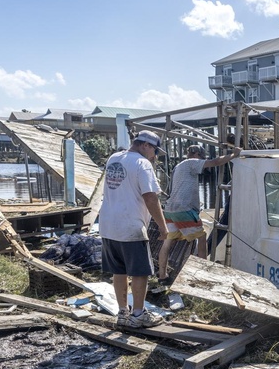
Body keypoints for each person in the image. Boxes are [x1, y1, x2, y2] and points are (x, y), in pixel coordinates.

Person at [98, 130, 168, 328]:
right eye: (154, 150)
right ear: (145, 145)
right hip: (130, 225)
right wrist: (163, 227)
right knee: (139, 272)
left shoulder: (114, 158)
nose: (154, 156)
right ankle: (138, 315)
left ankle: (122, 313)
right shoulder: (142, 163)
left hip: (108, 224)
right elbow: (151, 197)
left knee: (118, 270)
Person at [157, 143, 241, 285]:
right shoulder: (192, 162)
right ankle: (203, 275)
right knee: (202, 238)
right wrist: (234, 154)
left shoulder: (179, 166)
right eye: (201, 157)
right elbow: (215, 162)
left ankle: (162, 276)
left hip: (170, 209)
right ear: (196, 154)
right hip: (184, 209)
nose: (202, 160)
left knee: (167, 243)